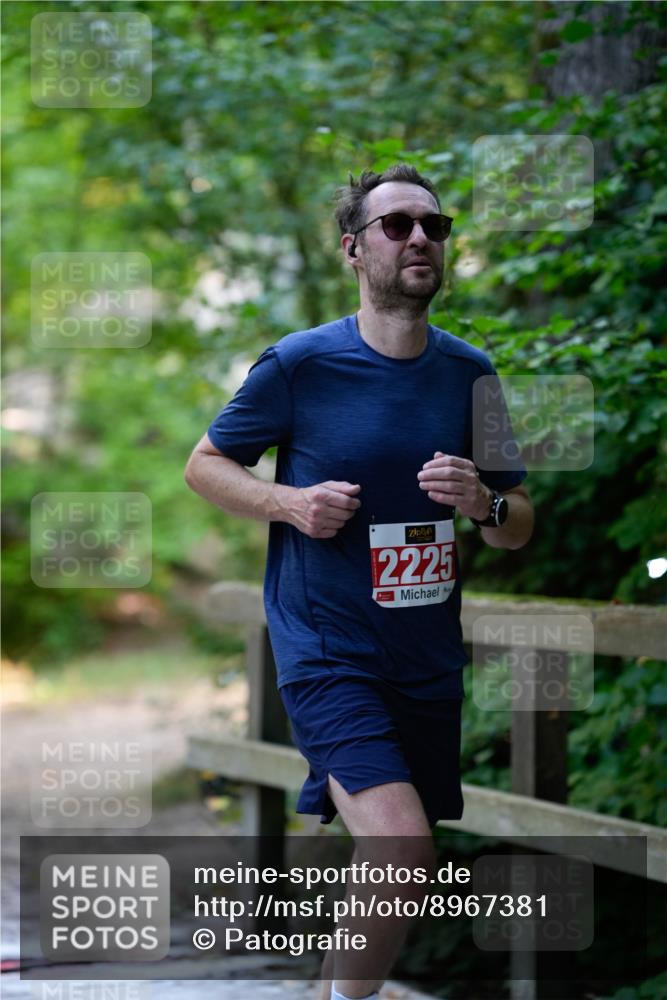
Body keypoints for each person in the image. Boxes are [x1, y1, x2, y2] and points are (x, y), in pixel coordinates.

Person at [184, 163, 534, 1000]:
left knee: (390, 858)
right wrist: (290, 503)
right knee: (403, 847)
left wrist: (481, 501)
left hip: (424, 656)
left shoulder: (469, 374)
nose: (419, 239)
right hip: (327, 647)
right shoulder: (300, 364)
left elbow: (516, 523)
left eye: (433, 226)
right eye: (396, 225)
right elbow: (204, 466)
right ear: (353, 249)